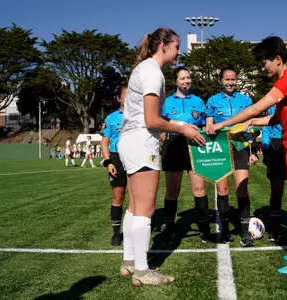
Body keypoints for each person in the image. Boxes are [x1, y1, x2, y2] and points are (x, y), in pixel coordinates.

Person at [209, 36, 287, 274]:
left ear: (277, 60)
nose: (263, 67)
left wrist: (222, 125)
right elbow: (274, 118)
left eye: (264, 62)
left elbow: (256, 107)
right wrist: (250, 122)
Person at [117, 28, 205, 286]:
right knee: (146, 208)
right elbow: (151, 119)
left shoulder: (144, 69)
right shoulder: (153, 73)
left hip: (131, 141)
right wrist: (183, 127)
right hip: (141, 143)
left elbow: (154, 117)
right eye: (177, 46)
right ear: (164, 45)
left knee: (134, 206)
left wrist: (178, 123)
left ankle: (130, 262)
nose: (180, 51)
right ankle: (143, 272)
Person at [205, 66, 259, 247]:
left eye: (233, 79)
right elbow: (210, 127)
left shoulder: (245, 99)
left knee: (241, 188)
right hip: (220, 147)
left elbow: (251, 127)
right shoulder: (212, 101)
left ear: (237, 80)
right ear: (221, 80)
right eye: (227, 79)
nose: (230, 83)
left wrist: (253, 151)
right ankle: (225, 231)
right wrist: (211, 128)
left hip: (240, 147)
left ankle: (246, 233)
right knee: (222, 191)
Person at [160, 67, 211, 244]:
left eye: (188, 78)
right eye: (182, 78)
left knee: (200, 189)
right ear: (175, 81)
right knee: (172, 192)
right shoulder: (166, 102)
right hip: (173, 146)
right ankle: (169, 229)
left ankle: (205, 229)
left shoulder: (198, 101)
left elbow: (205, 125)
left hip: (194, 146)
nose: (186, 81)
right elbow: (160, 124)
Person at [100, 84, 130, 246]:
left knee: (137, 198)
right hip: (117, 158)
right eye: (126, 95)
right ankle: (117, 234)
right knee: (118, 197)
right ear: (119, 98)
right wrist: (108, 162)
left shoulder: (140, 115)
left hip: (135, 158)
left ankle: (134, 232)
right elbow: (104, 142)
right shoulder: (111, 118)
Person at [261, 105, 287, 243]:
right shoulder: (272, 106)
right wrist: (266, 149)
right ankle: (275, 230)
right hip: (276, 146)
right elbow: (266, 128)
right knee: (277, 192)